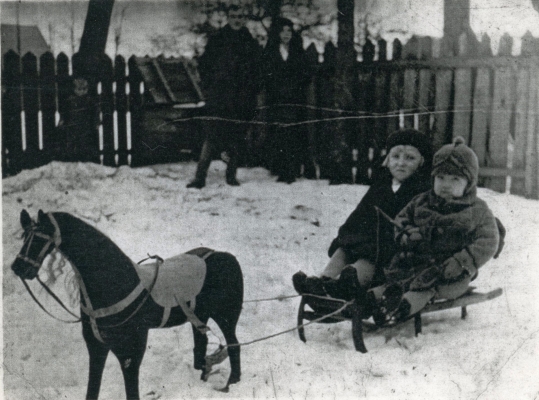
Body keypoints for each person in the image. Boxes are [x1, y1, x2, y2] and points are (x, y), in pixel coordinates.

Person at [372, 136, 500, 324]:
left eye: (455, 179)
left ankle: (401, 309)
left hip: (449, 273)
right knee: (394, 282)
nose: (446, 184)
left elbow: (488, 241)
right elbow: (401, 220)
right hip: (413, 263)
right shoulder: (421, 201)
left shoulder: (477, 210)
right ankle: (367, 301)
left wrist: (462, 261)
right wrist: (407, 234)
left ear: (469, 183)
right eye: (440, 178)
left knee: (426, 288)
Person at [293, 129, 432, 299]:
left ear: (422, 162)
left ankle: (341, 288)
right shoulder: (381, 185)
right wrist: (346, 236)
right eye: (396, 157)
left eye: (410, 158)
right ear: (387, 160)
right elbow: (360, 214)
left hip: (390, 254)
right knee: (344, 250)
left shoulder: (421, 192)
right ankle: (323, 282)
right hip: (365, 241)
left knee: (366, 259)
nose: (401, 163)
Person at [187, 5, 261, 189]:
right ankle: (200, 177)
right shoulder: (217, 40)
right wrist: (211, 87)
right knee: (212, 136)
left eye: (241, 16)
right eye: (234, 16)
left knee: (236, 137)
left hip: (242, 98)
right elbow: (204, 65)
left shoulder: (250, 42)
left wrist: (251, 90)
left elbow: (258, 71)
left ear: (244, 19)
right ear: (228, 18)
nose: (237, 19)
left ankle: (231, 176)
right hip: (219, 98)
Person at [260, 17, 312, 183]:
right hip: (276, 99)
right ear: (277, 33)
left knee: (293, 134)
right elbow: (265, 74)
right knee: (278, 133)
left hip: (294, 99)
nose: (286, 34)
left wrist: (294, 86)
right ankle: (280, 169)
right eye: (283, 31)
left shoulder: (298, 51)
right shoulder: (270, 52)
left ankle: (292, 170)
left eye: (289, 31)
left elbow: (306, 74)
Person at [58, 77, 100, 163]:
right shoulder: (70, 100)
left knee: (85, 144)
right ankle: (72, 160)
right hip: (72, 125)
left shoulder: (90, 101)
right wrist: (62, 120)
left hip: (86, 126)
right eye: (79, 89)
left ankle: (85, 160)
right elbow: (65, 112)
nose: (82, 91)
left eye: (84, 89)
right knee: (71, 144)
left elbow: (95, 112)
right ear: (74, 89)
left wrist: (96, 122)